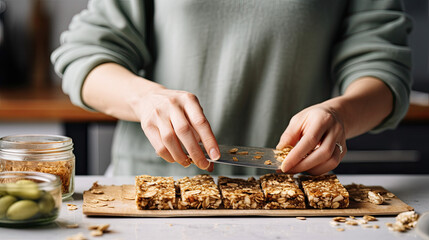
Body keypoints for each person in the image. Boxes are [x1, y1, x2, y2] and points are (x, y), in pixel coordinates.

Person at [52, 0, 412, 176]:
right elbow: (84, 55)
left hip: (293, 199)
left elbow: (383, 69)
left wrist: (341, 114)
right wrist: (144, 98)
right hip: (151, 189)